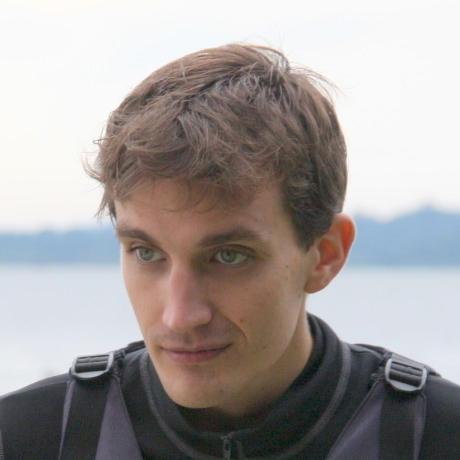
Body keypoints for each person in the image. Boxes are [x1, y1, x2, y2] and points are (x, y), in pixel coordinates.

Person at [1, 44, 459, 460]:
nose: (180, 317)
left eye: (229, 256)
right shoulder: (29, 438)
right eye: (146, 253)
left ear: (325, 255)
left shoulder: (438, 437)